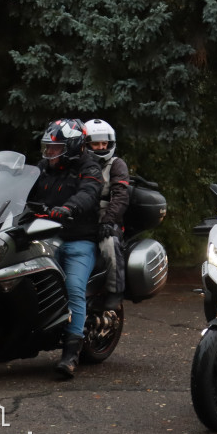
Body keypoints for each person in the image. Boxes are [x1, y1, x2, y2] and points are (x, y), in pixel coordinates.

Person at [30, 118, 103, 378]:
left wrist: (69, 208)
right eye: (48, 148)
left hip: (78, 239)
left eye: (55, 148)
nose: (49, 153)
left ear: (72, 147)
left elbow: (89, 192)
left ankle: (71, 354)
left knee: (73, 287)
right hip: (43, 236)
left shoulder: (89, 166)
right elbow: (23, 189)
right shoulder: (43, 167)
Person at [84, 119, 131, 311]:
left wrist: (108, 220)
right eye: (96, 143)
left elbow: (120, 196)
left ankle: (115, 290)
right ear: (86, 144)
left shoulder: (116, 164)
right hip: (81, 217)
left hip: (107, 217)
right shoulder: (79, 164)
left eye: (105, 143)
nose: (101, 147)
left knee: (110, 243)